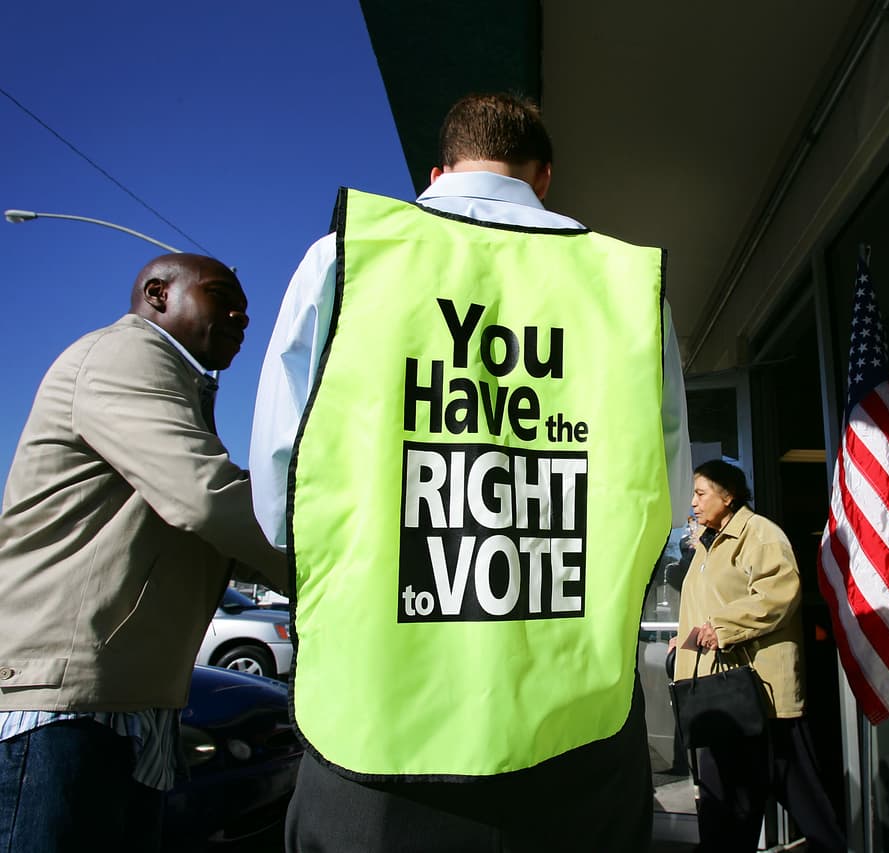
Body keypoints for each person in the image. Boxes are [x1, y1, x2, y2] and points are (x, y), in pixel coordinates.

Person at [250, 92, 691, 852]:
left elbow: (281, 497)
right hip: (576, 739)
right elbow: (669, 497)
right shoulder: (629, 286)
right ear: (544, 177)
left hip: (376, 737)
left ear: (436, 172)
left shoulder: (348, 256)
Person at [0, 253, 286, 853]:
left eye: (246, 308)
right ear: (157, 294)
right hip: (65, 702)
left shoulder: (179, 386)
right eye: (220, 297)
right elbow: (205, 497)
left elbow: (204, 527)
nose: (241, 316)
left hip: (127, 702)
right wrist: (340, 569)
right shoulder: (125, 356)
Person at [672, 459, 846, 852]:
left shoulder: (761, 534)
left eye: (700, 493)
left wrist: (722, 627)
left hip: (760, 694)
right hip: (723, 692)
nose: (693, 503)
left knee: (790, 791)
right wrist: (685, 638)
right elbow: (707, 604)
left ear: (728, 495)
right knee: (730, 795)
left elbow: (777, 595)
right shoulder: (706, 544)